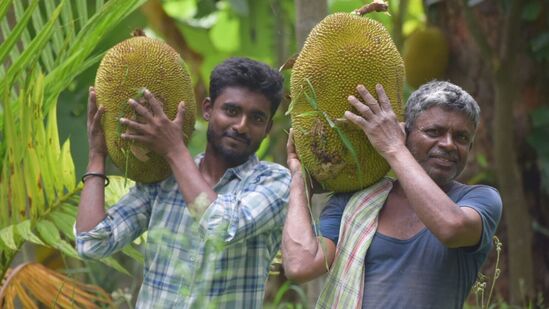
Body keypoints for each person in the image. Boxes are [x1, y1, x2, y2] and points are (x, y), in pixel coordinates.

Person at [76, 57, 291, 308]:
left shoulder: (275, 182)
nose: (241, 126)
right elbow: (92, 243)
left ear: (267, 129)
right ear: (208, 109)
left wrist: (174, 150)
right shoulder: (164, 179)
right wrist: (97, 155)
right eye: (231, 111)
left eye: (256, 118)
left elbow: (221, 225)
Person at [282, 81, 502, 308]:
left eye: (461, 138)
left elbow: (451, 228)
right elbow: (301, 265)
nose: (448, 144)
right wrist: (299, 180)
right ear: (404, 133)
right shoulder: (356, 200)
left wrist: (393, 149)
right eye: (433, 132)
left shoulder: (480, 199)